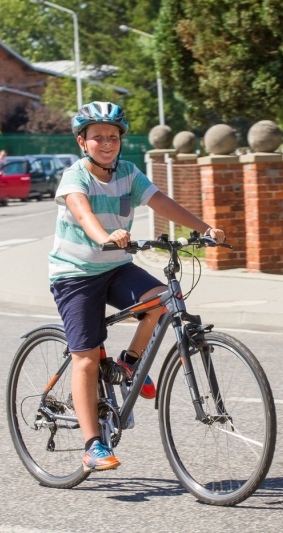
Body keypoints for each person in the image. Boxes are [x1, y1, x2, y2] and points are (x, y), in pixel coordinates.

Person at [48, 101, 226, 473]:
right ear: (83, 141)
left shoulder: (129, 173)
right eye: (98, 137)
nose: (107, 143)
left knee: (165, 298)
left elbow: (163, 203)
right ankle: (92, 444)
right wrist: (106, 235)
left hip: (115, 268)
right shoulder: (74, 177)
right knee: (86, 356)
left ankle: (128, 365)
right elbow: (83, 214)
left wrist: (205, 229)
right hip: (75, 274)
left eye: (113, 137)